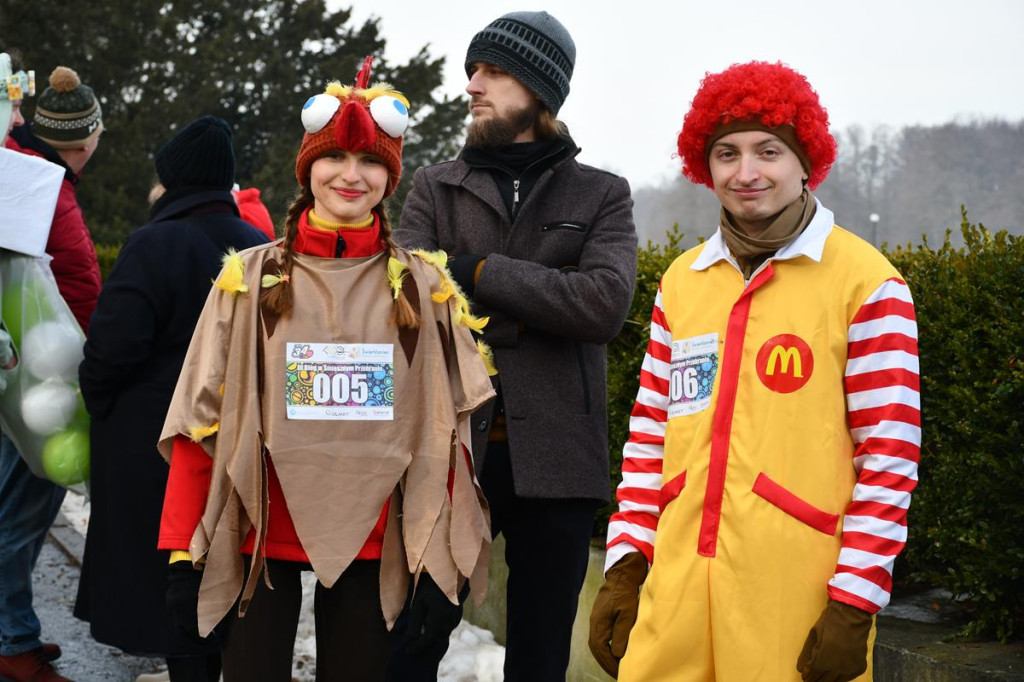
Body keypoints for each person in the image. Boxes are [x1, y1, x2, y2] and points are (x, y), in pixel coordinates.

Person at [156, 59, 495, 682]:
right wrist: (183, 549)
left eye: (371, 161)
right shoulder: (248, 279)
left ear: (390, 176)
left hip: (378, 540)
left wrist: (442, 562)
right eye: (334, 156)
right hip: (258, 535)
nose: (351, 175)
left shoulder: (424, 285)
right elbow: (200, 414)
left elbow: (452, 435)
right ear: (307, 165)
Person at [588, 61, 921, 681]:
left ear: (805, 162)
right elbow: (650, 436)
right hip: (677, 588)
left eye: (768, 151)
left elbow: (889, 458)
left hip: (794, 594)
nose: (746, 173)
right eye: (726, 154)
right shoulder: (682, 283)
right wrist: (627, 563)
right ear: (703, 166)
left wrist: (855, 601)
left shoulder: (869, 284)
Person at [391, 11, 638, 681]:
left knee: (539, 656)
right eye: (474, 69)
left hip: (559, 461)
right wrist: (536, 308)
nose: (472, 84)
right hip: (449, 451)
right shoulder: (434, 186)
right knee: (412, 635)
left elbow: (603, 305)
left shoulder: (603, 194)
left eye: (493, 72)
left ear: (539, 90)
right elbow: (410, 299)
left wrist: (474, 272)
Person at [74, 116, 270, 681]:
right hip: (236, 440)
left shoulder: (154, 243)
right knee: (216, 576)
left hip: (152, 445)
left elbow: (111, 349)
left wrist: (99, 404)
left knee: (164, 580)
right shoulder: (258, 247)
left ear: (172, 179)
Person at [0, 57, 104, 682]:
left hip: (16, 361)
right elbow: (79, 281)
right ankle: (13, 642)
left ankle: (14, 631)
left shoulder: (17, 164)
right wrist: (99, 357)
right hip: (42, 372)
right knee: (23, 507)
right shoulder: (41, 186)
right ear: (83, 142)